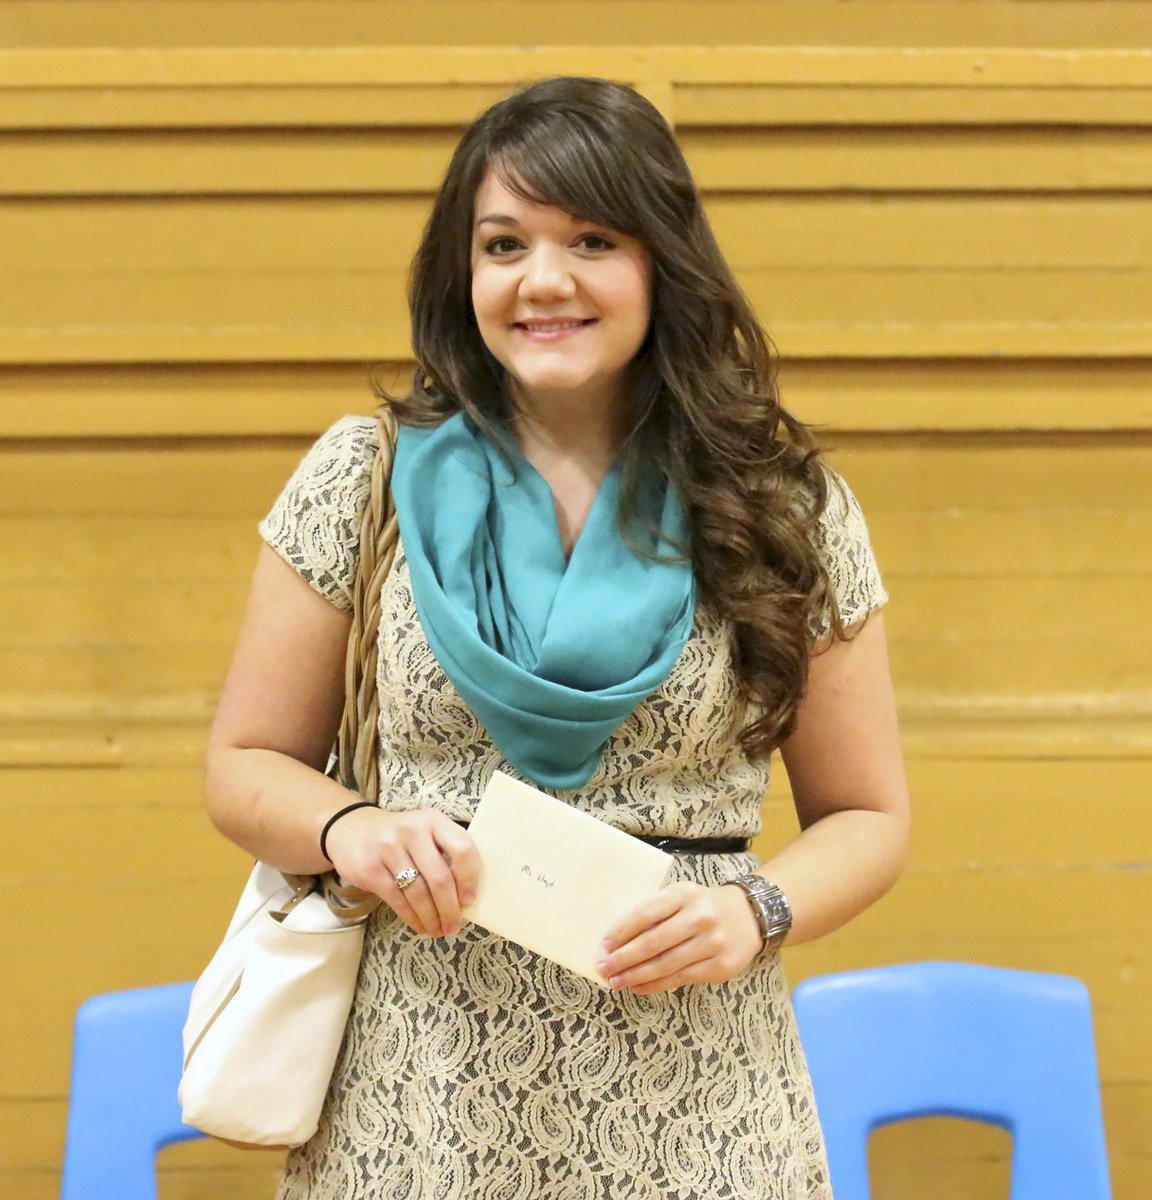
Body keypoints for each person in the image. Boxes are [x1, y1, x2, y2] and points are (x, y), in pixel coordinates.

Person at [205, 75, 909, 1200]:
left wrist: (754, 911)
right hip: (417, 1101)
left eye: (591, 239)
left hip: (704, 1105)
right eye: (502, 244)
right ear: (463, 272)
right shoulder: (362, 474)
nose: (543, 281)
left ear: (660, 265)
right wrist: (351, 831)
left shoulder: (786, 503)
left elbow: (868, 817)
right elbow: (242, 768)